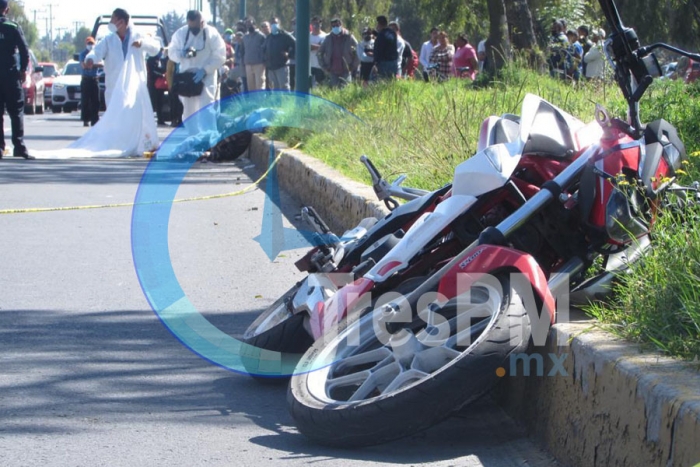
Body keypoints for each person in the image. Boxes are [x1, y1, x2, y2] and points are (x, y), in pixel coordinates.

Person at [85, 8, 160, 109]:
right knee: (114, 119)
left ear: (122, 21)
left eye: (113, 18)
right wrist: (90, 59)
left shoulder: (138, 36)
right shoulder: (108, 39)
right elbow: (97, 51)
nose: (110, 21)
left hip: (134, 86)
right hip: (114, 85)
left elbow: (155, 48)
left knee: (132, 118)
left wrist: (142, 44)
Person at [167, 10, 226, 133]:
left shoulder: (212, 34)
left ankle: (208, 139)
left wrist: (205, 70)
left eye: (196, 25)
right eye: (191, 25)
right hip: (187, 76)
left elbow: (220, 55)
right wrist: (182, 54)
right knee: (189, 110)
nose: (193, 29)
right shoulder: (181, 33)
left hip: (206, 75)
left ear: (202, 22)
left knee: (206, 107)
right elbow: (171, 52)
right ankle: (193, 138)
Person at [0, 0, 32, 159]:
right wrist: (23, 70)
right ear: (6, 9)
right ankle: (18, 146)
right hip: (10, 75)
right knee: (16, 111)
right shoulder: (12, 27)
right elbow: (24, 50)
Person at [317, 18, 359, 88]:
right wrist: (324, 67)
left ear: (341, 25)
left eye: (337, 25)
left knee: (346, 90)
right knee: (334, 90)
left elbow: (359, 50)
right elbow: (319, 53)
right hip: (332, 71)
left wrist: (353, 65)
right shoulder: (328, 38)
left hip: (346, 70)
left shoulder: (349, 36)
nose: (335, 28)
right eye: (333, 26)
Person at [263, 17, 295, 90]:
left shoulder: (285, 35)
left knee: (284, 87)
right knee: (275, 89)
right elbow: (264, 49)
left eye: (275, 23)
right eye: (272, 23)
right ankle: (277, 102)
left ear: (279, 24)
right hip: (271, 67)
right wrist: (265, 60)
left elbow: (295, 44)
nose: (274, 25)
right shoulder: (269, 37)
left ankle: (286, 101)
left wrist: (289, 54)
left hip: (282, 66)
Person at [79, 36, 100, 127]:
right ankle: (85, 119)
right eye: (89, 43)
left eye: (91, 43)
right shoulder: (83, 54)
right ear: (86, 44)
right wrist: (90, 65)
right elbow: (83, 65)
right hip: (86, 79)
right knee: (85, 101)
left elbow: (101, 64)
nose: (90, 45)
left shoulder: (96, 54)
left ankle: (95, 120)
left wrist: (92, 65)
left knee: (96, 101)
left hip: (94, 79)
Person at [242, 16, 267, 91]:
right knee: (251, 88)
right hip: (248, 65)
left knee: (259, 86)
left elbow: (266, 49)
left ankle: (261, 102)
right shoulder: (245, 37)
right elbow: (242, 51)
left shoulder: (261, 36)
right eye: (247, 24)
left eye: (250, 24)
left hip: (259, 64)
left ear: (255, 24)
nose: (249, 26)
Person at [146, 47, 167, 125]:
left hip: (160, 84)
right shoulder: (151, 60)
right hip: (153, 83)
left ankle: (160, 119)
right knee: (153, 102)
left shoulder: (161, 60)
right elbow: (152, 71)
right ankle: (150, 120)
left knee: (160, 103)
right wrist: (161, 75)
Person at [373, 15, 398, 80]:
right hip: (393, 63)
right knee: (391, 83)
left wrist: (376, 63)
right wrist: (376, 33)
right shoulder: (392, 33)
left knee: (381, 81)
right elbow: (386, 38)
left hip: (384, 63)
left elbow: (378, 50)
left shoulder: (381, 36)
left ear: (379, 25)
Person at [309, 17, 327, 86]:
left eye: (317, 23)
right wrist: (318, 46)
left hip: (320, 66)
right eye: (314, 23)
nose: (315, 25)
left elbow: (323, 48)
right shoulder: (308, 36)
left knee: (319, 86)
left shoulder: (325, 36)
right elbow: (307, 48)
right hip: (310, 66)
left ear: (320, 24)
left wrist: (312, 46)